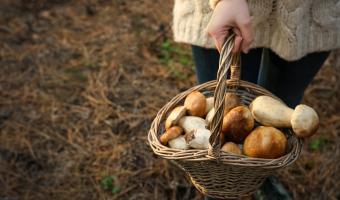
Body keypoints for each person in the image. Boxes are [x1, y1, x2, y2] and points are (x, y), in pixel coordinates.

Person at [172, 0, 340, 199]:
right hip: (225, 10)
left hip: (309, 12)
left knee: (282, 119)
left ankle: (259, 173)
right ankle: (219, 185)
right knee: (220, 109)